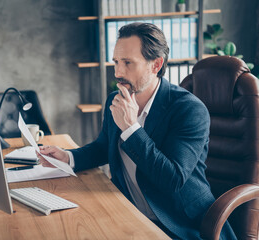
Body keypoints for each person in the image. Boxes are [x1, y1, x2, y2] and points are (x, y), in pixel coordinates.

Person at [38, 23, 237, 240]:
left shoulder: (189, 110)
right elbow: (104, 147)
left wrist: (131, 128)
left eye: (128, 63)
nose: (118, 72)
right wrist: (68, 156)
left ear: (156, 65)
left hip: (181, 224)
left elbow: (172, 179)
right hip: (131, 216)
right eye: (115, 62)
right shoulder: (116, 100)